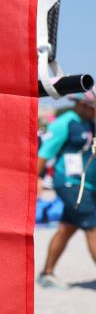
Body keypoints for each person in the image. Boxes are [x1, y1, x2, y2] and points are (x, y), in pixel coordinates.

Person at [37, 95, 96, 289]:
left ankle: (46, 274)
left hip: (86, 185)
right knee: (93, 228)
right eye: (92, 107)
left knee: (67, 228)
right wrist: (35, 180)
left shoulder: (88, 123)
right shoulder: (64, 123)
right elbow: (44, 154)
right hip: (70, 184)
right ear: (81, 104)